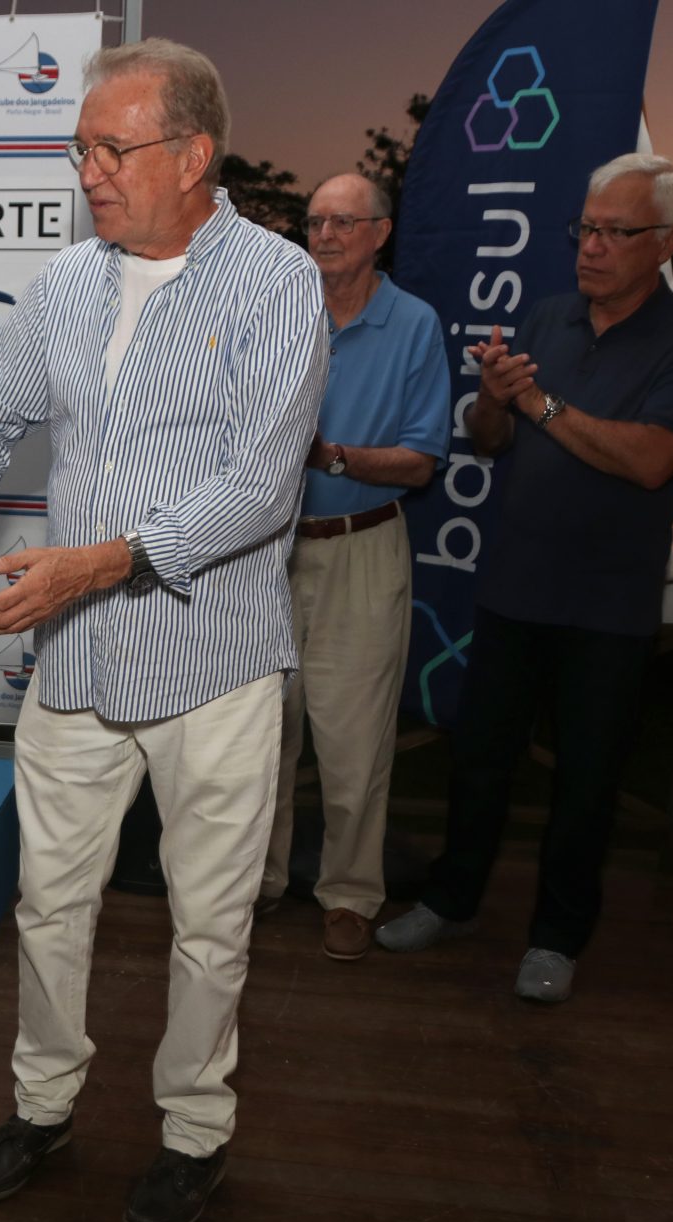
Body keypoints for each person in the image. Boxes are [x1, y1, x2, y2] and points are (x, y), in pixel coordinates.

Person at [0, 39, 327, 1222]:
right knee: (49, 904)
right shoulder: (61, 284)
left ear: (194, 155)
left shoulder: (276, 282)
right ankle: (42, 1106)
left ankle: (194, 1130)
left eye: (113, 149)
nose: (89, 172)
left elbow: (261, 487)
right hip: (77, 661)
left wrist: (97, 562)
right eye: (81, 150)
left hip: (214, 664)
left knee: (210, 924)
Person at [376, 154, 673, 1002]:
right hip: (514, 587)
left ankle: (557, 938)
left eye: (615, 232)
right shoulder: (546, 315)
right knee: (480, 761)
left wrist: (539, 405)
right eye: (586, 229)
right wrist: (495, 399)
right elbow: (490, 440)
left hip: (609, 603)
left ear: (666, 241)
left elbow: (652, 460)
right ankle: (452, 901)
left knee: (587, 780)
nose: (591, 247)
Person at [257, 173, 450, 962]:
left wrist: (332, 456)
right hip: (262, 550)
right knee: (260, 731)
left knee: (354, 740)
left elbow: (422, 461)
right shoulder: (277, 309)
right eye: (315, 222)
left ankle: (348, 895)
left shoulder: (414, 324)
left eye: (343, 222)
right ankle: (256, 881)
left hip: (362, 545)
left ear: (381, 233)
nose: (325, 235)